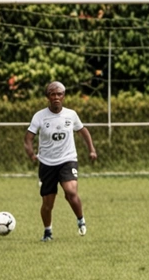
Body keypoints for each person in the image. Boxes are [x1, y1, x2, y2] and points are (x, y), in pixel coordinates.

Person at [24, 81, 97, 241]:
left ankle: (80, 220)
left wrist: (91, 149)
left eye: (59, 94)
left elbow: (83, 131)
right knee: (48, 204)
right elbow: (28, 138)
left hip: (67, 160)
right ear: (47, 97)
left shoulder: (71, 115)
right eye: (52, 94)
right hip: (47, 163)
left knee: (71, 192)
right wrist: (31, 154)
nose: (56, 97)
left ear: (63, 96)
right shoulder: (40, 116)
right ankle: (48, 232)